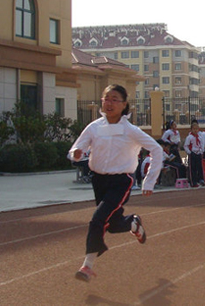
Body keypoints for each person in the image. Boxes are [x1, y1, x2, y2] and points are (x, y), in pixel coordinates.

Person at [69, 84, 163, 282]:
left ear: (124, 105)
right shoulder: (94, 127)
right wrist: (76, 154)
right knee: (112, 224)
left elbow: (156, 150)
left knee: (98, 219)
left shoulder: (130, 130)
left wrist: (149, 181)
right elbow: (77, 148)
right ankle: (133, 223)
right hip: (99, 180)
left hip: (121, 181)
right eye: (106, 98)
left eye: (114, 99)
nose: (109, 103)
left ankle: (88, 265)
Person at [184, 120, 205, 187]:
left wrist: (201, 151)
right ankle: (193, 182)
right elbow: (186, 146)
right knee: (192, 168)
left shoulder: (200, 137)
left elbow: (202, 144)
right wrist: (189, 152)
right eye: (194, 129)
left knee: (199, 167)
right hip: (192, 153)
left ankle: (201, 179)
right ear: (191, 129)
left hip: (198, 153)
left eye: (197, 129)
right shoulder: (189, 137)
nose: (195, 130)